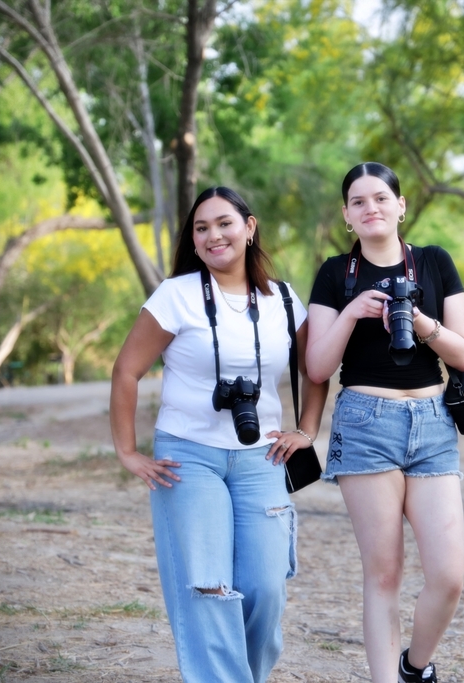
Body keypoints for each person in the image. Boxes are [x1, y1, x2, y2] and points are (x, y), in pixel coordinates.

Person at [110, 186, 328, 683]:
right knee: (207, 590)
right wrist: (127, 451)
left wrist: (307, 429)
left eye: (224, 223)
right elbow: (126, 371)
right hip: (189, 458)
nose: (213, 235)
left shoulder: (283, 299)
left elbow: (315, 369)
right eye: (201, 227)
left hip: (262, 458)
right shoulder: (177, 295)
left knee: (265, 589)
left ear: (249, 228)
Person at [306, 162, 464, 683]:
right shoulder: (336, 274)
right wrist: (353, 311)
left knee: (449, 575)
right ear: (346, 216)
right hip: (364, 421)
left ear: (401, 206)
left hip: (431, 421)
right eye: (358, 202)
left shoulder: (434, 263)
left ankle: (414, 667)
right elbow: (316, 366)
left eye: (381, 198)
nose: (370, 208)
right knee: (384, 574)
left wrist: (422, 323)